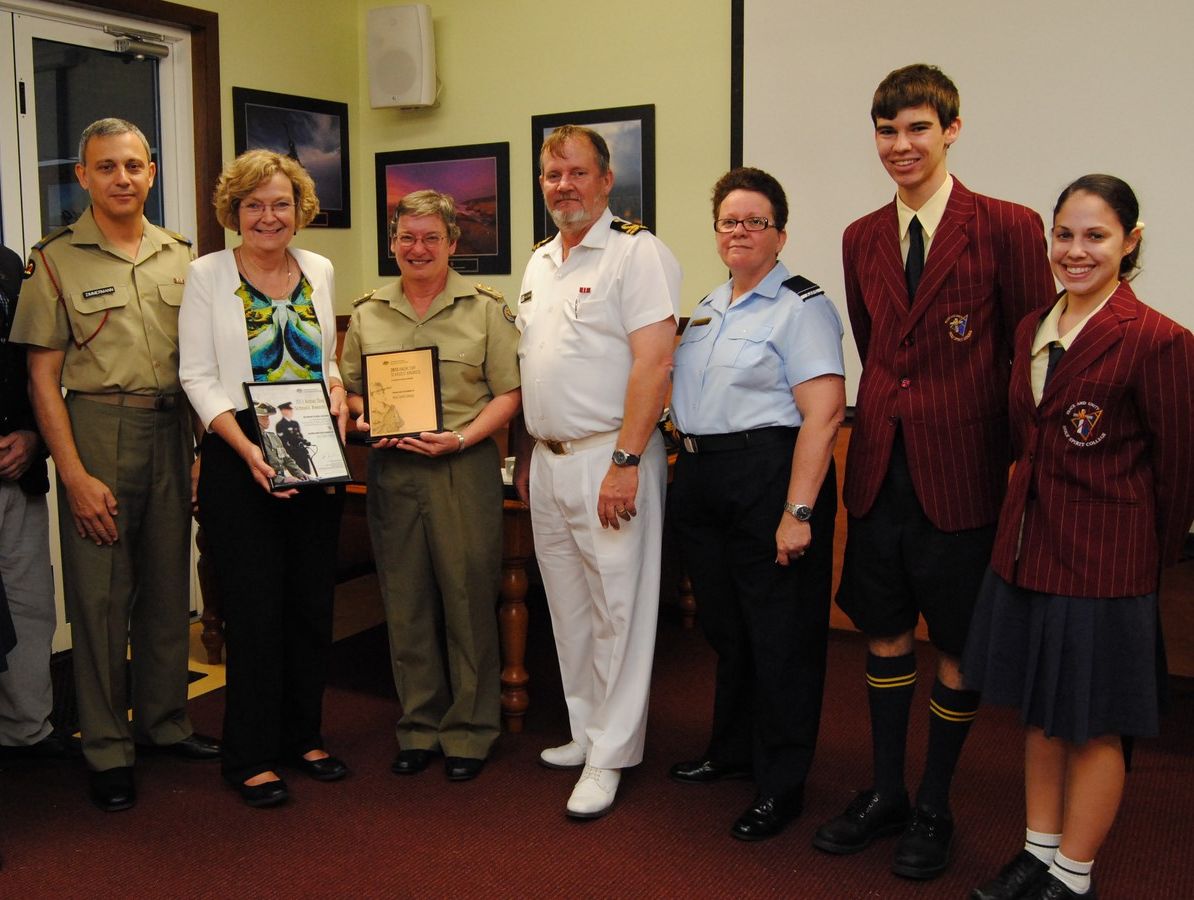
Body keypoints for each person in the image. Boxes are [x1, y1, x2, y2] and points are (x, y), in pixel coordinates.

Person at [812, 65, 1055, 878]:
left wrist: (1023, 472)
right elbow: (878, 345)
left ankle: (935, 806)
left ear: (951, 129)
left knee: (956, 642)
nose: (900, 146)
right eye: (887, 131)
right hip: (880, 465)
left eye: (917, 128)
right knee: (881, 632)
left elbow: (1027, 355)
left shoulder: (1010, 226)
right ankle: (885, 792)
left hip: (967, 474)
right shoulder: (860, 236)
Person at [964, 175, 1194, 900]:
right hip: (1028, 552)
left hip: (1107, 564)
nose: (1075, 250)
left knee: (1093, 725)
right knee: (1040, 708)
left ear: (1131, 241)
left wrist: (1139, 566)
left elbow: (1179, 473)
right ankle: (1037, 850)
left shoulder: (1158, 340)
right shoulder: (1035, 324)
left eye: (1095, 236)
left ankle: (1074, 872)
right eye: (1064, 234)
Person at [11, 118, 221, 813]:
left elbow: (196, 367)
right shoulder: (56, 259)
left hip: (171, 431)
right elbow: (43, 379)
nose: (122, 179)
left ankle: (163, 722)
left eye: (133, 165)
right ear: (83, 176)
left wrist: (198, 457)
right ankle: (106, 745)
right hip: (97, 430)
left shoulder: (180, 256)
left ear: (152, 173)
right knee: (100, 599)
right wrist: (71, 473)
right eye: (107, 167)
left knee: (166, 587)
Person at [668, 168, 846, 841]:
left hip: (769, 476)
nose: (738, 231)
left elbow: (823, 416)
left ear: (780, 235)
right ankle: (732, 750)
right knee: (728, 629)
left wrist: (797, 512)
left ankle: (782, 783)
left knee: (782, 638)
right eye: (728, 222)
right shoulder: (711, 306)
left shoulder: (801, 306)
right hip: (705, 477)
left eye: (753, 222)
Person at [512, 125, 681, 819]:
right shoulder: (539, 262)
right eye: (553, 175)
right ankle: (584, 730)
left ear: (607, 181)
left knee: (619, 610)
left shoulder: (637, 254)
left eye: (577, 173)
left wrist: (625, 461)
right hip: (550, 464)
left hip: (611, 459)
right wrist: (527, 459)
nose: (564, 186)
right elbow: (535, 367)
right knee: (570, 608)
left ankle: (612, 755)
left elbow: (655, 363)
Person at [179, 149, 348, 808]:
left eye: (280, 204)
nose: (268, 217)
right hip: (237, 447)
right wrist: (245, 448)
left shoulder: (320, 268)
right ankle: (248, 754)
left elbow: (325, 355)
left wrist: (336, 386)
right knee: (254, 611)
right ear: (234, 211)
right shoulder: (206, 274)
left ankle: (302, 736)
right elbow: (196, 374)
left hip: (308, 443)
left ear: (299, 209)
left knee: (310, 602)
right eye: (254, 205)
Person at [340, 189, 521, 783]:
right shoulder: (367, 312)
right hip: (393, 471)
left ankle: (470, 730)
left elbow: (511, 394)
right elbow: (351, 389)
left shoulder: (486, 309)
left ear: (452, 244)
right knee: (406, 601)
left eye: (431, 238)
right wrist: (365, 415)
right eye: (407, 238)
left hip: (460, 467)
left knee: (468, 599)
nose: (418, 249)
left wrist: (465, 439)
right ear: (393, 243)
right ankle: (419, 725)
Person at [0, 244, 69, 762]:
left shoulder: (10, 267)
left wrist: (34, 438)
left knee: (30, 605)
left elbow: (36, 367)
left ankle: (27, 730)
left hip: (17, 471)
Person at [274, 401, 314, 474]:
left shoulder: (295, 423)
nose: (291, 411)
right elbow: (283, 442)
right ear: (283, 411)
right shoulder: (280, 425)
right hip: (293, 455)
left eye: (291, 410)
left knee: (308, 473)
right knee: (299, 475)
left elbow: (300, 436)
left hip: (302, 452)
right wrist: (290, 455)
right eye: (289, 410)